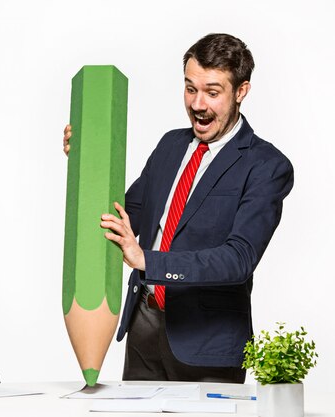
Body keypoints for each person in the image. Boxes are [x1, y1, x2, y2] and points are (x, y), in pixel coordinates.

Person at [63, 33, 293, 382]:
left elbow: (238, 259)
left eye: (212, 93)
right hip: (143, 327)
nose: (198, 104)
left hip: (208, 343)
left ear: (241, 91)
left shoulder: (266, 166)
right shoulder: (171, 145)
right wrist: (86, 158)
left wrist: (147, 260)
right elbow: (124, 216)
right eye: (190, 88)